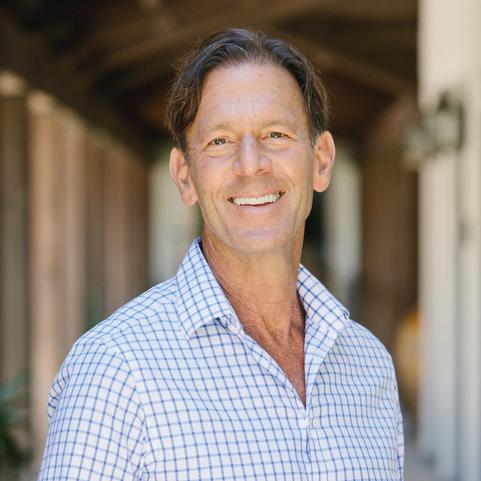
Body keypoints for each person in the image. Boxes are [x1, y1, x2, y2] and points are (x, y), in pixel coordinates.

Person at [38, 28, 404, 480]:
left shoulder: (368, 364)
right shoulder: (115, 370)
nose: (251, 164)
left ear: (322, 161)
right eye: (220, 141)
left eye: (276, 133)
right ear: (185, 175)